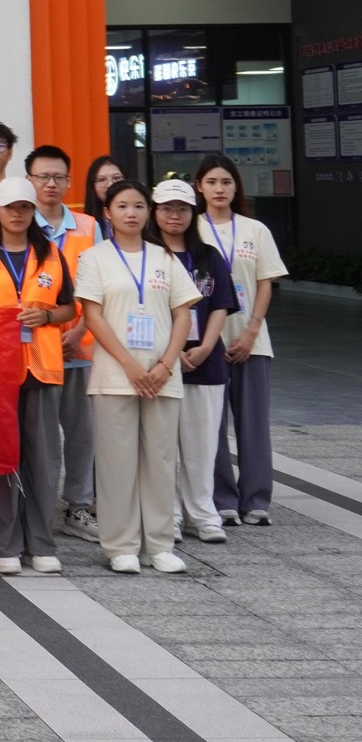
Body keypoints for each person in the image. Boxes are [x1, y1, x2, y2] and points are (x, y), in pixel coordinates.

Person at [76, 179, 200, 575]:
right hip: (115, 375)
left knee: (160, 461)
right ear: (107, 212)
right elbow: (92, 316)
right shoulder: (93, 258)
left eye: (139, 206)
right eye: (123, 206)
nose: (131, 213)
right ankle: (121, 545)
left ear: (149, 212)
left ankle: (159, 544)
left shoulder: (165, 257)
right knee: (117, 462)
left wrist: (166, 365)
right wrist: (130, 365)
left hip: (162, 376)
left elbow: (183, 313)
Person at [0, 179, 75, 577]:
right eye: (10, 207)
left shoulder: (51, 255)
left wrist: (46, 315)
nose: (18, 214)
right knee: (2, 458)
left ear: (32, 210)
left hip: (42, 367)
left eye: (25, 207)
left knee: (43, 460)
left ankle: (41, 543)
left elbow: (69, 308)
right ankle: (5, 544)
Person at [195, 153, 288, 528]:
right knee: (211, 424)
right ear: (199, 187)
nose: (219, 189)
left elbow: (265, 283)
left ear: (236, 187)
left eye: (226, 182)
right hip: (206, 341)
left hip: (252, 340)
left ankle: (256, 499)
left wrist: (252, 329)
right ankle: (222, 499)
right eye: (212, 182)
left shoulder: (255, 229)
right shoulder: (191, 229)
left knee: (253, 423)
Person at [147, 179, 235, 546]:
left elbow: (221, 306)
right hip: (159, 362)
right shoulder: (147, 255)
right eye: (167, 208)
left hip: (205, 362)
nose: (175, 215)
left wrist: (206, 347)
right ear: (155, 212)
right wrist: (171, 353)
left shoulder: (208, 256)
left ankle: (203, 514)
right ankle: (169, 515)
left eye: (182, 209)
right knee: (162, 445)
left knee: (201, 445)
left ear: (193, 213)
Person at [60, 154, 127, 543]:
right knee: (39, 441)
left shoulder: (88, 227)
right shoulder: (24, 225)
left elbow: (100, 285)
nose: (50, 184)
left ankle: (79, 504)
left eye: (57, 177)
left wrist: (80, 330)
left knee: (83, 436)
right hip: (37, 353)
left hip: (84, 348)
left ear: (68, 182)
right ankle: (34, 504)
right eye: (42, 177)